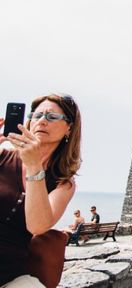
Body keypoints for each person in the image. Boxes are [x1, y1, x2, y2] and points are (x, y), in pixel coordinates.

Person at [0, 93, 82, 287]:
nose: (42, 121)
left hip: (9, 273)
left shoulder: (64, 184)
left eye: (52, 117)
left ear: (68, 128)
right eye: (37, 116)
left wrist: (34, 167)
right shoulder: (2, 156)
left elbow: (37, 226)